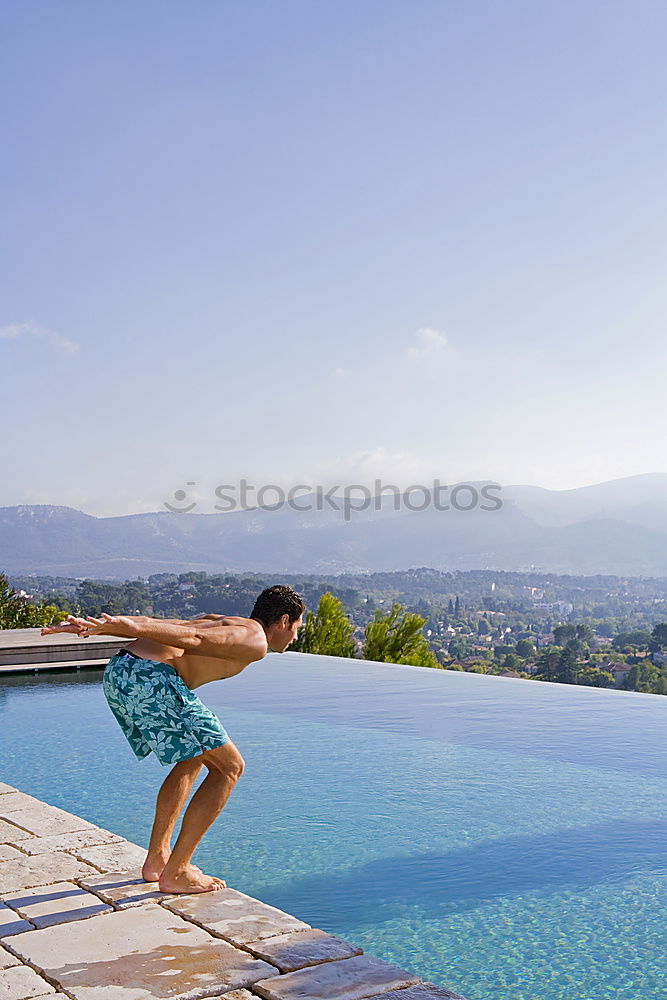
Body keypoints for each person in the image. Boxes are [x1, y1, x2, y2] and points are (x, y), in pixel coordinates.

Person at [40, 584, 305, 894]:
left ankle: (157, 859)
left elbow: (174, 625)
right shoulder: (254, 639)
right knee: (229, 767)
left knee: (193, 756)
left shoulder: (227, 621)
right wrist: (118, 625)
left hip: (123, 671)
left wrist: (110, 625)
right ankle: (177, 871)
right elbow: (193, 638)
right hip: (149, 676)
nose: (296, 637)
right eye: (297, 628)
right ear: (284, 621)